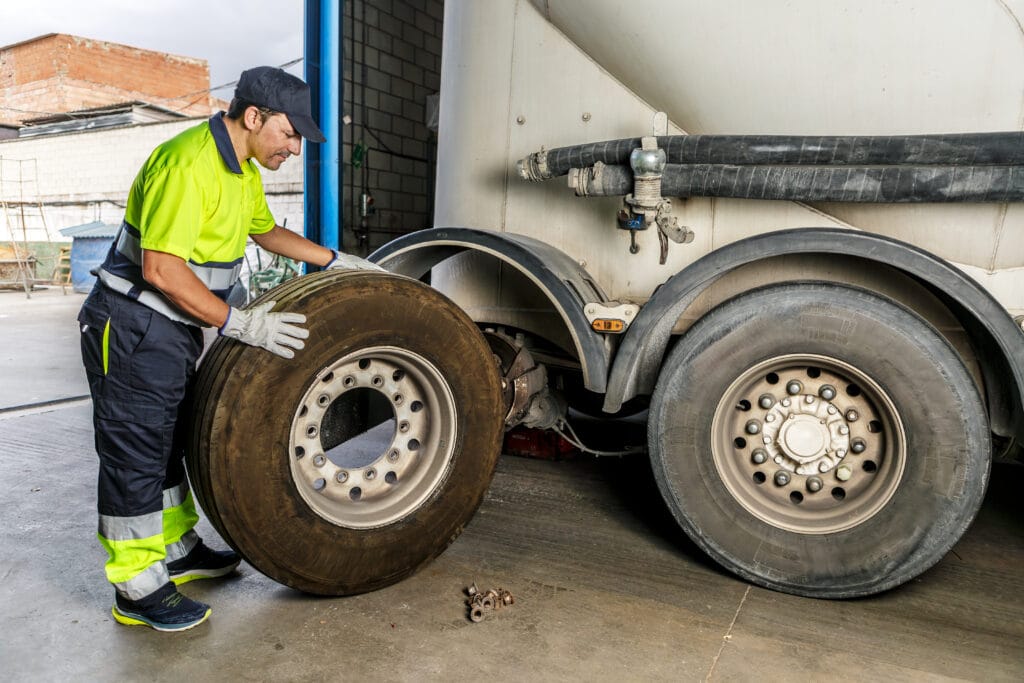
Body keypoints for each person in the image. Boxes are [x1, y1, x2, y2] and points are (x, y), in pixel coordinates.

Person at [78, 66, 380, 633]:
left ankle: (178, 547)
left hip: (173, 328)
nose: (295, 148)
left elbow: (264, 232)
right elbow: (161, 269)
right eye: (290, 135)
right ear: (253, 117)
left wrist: (333, 260)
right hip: (134, 323)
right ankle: (137, 585)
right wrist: (243, 324)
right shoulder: (188, 164)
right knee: (136, 448)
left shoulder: (241, 170)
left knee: (167, 440)